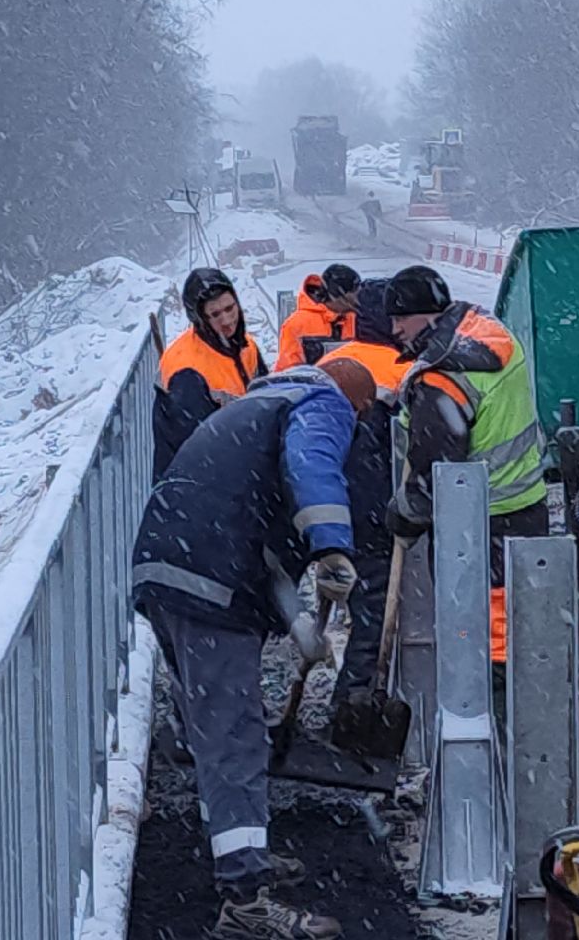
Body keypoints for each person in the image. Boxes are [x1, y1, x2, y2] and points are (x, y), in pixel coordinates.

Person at [131, 361, 377, 940]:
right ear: (355, 403)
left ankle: (245, 854)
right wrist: (332, 545)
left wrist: (299, 626)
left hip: (168, 565)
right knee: (234, 737)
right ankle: (245, 901)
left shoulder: (252, 410)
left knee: (210, 729)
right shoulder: (321, 403)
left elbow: (258, 544)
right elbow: (312, 463)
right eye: (359, 418)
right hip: (207, 580)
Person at [382, 266, 548, 667]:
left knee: (480, 638)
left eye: (402, 317)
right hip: (526, 507)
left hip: (477, 524)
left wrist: (401, 516)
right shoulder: (489, 334)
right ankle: (516, 699)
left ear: (428, 314)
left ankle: (491, 708)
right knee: (522, 625)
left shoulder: (441, 380)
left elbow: (435, 481)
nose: (395, 329)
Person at [316, 280, 411, 700]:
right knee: (375, 612)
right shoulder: (403, 369)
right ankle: (355, 702)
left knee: (354, 600)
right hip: (373, 509)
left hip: (326, 505)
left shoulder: (332, 361)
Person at [161, 268, 269, 401]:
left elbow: (267, 396)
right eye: (215, 314)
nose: (227, 320)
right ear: (200, 319)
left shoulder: (246, 346)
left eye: (229, 308)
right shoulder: (185, 369)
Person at [276, 265, 362, 371]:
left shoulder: (360, 320)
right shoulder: (296, 325)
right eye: (356, 292)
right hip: (312, 387)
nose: (360, 297)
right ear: (339, 295)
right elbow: (287, 372)